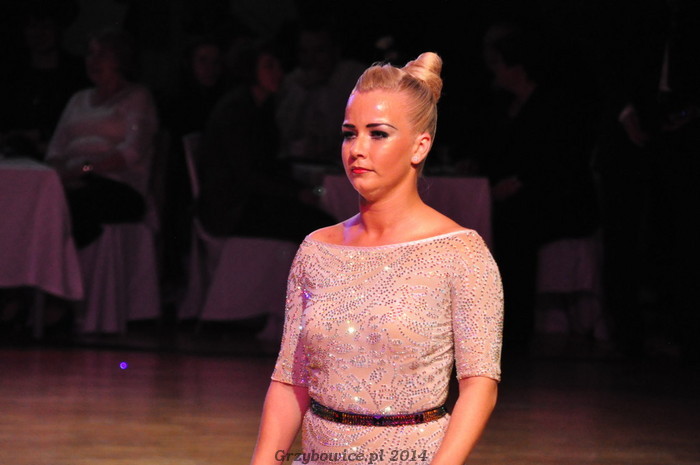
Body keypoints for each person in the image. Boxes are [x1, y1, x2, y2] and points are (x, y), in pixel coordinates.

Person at [250, 52, 503, 465]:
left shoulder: (461, 253)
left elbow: (480, 385)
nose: (358, 149)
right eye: (350, 134)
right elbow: (290, 380)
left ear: (420, 145)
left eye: (378, 134)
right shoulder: (317, 250)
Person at [478, 20, 601, 351]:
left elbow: (560, 161)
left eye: (499, 64)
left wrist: (519, 183)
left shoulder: (553, 105)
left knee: (515, 225)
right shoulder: (506, 105)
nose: (493, 71)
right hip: (526, 193)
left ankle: (515, 328)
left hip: (558, 196)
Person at [196, 41, 335, 243]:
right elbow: (246, 174)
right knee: (318, 224)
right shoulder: (235, 110)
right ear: (251, 69)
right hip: (232, 208)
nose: (278, 73)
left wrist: (298, 187)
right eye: (269, 66)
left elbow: (267, 163)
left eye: (279, 65)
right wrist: (296, 192)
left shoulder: (262, 106)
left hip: (251, 198)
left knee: (324, 218)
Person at [45, 27, 159, 248]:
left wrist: (84, 169)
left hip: (118, 186)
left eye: (102, 55)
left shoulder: (137, 97)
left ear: (121, 60)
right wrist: (61, 174)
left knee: (74, 203)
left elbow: (131, 152)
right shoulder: (78, 99)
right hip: (72, 179)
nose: (93, 61)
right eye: (90, 54)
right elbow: (56, 149)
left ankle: (63, 260)